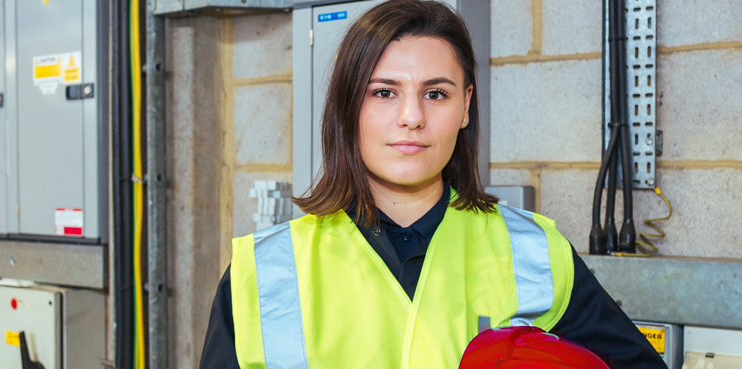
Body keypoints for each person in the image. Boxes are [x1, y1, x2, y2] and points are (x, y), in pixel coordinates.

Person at [200, 0, 666, 368]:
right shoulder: (265, 274)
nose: (411, 117)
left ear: (465, 107)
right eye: (384, 92)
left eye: (435, 93)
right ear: (348, 108)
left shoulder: (535, 255)